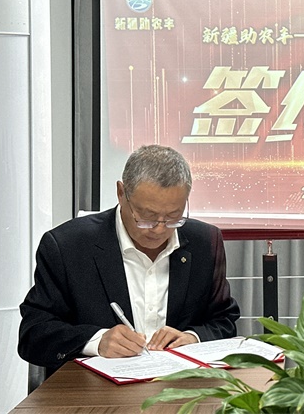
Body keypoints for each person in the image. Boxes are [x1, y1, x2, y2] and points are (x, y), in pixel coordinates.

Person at [18, 144, 240, 376]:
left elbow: (224, 321)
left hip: (182, 387)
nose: (159, 229)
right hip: (95, 391)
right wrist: (97, 341)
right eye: (147, 216)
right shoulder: (68, 246)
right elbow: (34, 335)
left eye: (173, 216)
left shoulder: (204, 242)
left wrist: (193, 338)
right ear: (121, 193)